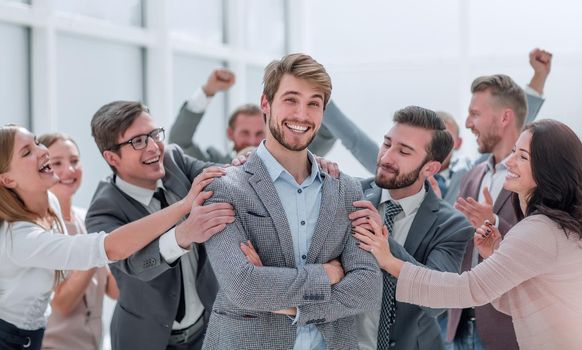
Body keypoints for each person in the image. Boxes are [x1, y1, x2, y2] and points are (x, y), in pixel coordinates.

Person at [201, 53, 382, 350]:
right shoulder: (224, 188)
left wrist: (295, 308)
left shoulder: (347, 190)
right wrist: (326, 275)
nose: (301, 114)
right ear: (266, 104)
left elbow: (366, 288)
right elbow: (243, 286)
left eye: (314, 103)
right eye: (291, 99)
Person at [363, 119, 582, 350]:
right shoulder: (553, 228)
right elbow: (522, 301)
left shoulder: (539, 229)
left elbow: (466, 289)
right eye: (514, 152)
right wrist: (495, 254)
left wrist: (390, 261)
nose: (509, 162)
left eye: (523, 157)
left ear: (549, 169)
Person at [0, 125, 218, 350]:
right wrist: (183, 206)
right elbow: (110, 248)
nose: (41, 151)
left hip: (35, 336)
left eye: (36, 142)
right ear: (7, 180)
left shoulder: (50, 205)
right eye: (26, 152)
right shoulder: (18, 239)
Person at [85, 102, 235, 350]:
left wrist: (246, 164)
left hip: (208, 329)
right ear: (112, 157)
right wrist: (184, 235)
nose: (154, 147)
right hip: (145, 338)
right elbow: (134, 265)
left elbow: (220, 175)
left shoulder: (173, 159)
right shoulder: (102, 212)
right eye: (138, 141)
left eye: (154, 134)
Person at [348, 106, 473, 350]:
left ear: (430, 168)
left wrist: (384, 243)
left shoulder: (453, 226)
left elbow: (437, 301)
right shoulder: (349, 195)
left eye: (404, 152)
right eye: (386, 144)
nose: (386, 158)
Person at [315, 48, 552, 175]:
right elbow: (355, 141)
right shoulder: (398, 165)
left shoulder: (470, 174)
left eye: (445, 139)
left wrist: (538, 78)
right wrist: (315, 94)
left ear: (458, 144)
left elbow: (511, 129)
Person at [36, 133, 118, 350]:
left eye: (74, 161)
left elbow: (113, 289)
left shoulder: (88, 219)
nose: (69, 170)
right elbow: (61, 304)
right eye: (56, 163)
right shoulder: (39, 231)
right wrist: (98, 248)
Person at [169, 68, 336, 163]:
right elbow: (179, 141)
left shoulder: (292, 160)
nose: (251, 141)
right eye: (244, 133)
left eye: (259, 134)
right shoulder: (214, 165)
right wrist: (208, 90)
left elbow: (328, 133)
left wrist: (305, 97)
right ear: (230, 134)